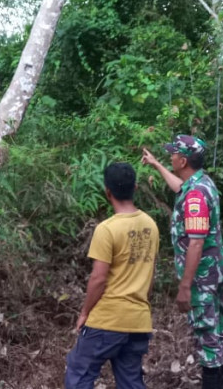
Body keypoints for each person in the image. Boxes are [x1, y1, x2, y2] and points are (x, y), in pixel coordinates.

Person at [142, 135, 223, 389]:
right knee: (219, 327)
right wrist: (156, 165)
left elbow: (196, 242)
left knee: (207, 336)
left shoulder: (195, 195)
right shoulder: (200, 183)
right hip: (215, 270)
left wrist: (185, 286)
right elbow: (178, 187)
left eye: (173, 154)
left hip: (202, 277)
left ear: (183, 160)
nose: (170, 156)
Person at [65, 162, 160, 389]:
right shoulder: (151, 225)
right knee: (131, 381)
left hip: (108, 319)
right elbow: (150, 274)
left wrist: (85, 312)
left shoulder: (107, 229)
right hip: (138, 321)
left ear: (107, 191)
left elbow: (98, 279)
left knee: (78, 375)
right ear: (135, 187)